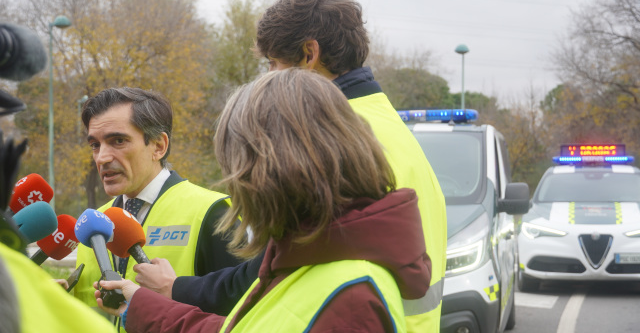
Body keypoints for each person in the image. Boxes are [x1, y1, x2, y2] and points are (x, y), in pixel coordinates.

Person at [136, 0, 447, 332]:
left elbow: (273, 271)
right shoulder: (387, 128)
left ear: (309, 54)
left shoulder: (333, 141)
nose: (268, 79)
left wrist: (175, 288)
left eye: (273, 64)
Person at [96, 68, 430, 333]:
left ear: (273, 172)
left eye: (237, 167)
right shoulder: (308, 256)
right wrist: (139, 307)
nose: (235, 184)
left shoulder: (352, 302)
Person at [74, 87, 243, 330]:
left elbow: (245, 316)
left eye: (118, 141)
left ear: (159, 146)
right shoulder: (89, 225)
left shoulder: (211, 212)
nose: (102, 157)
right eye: (95, 145)